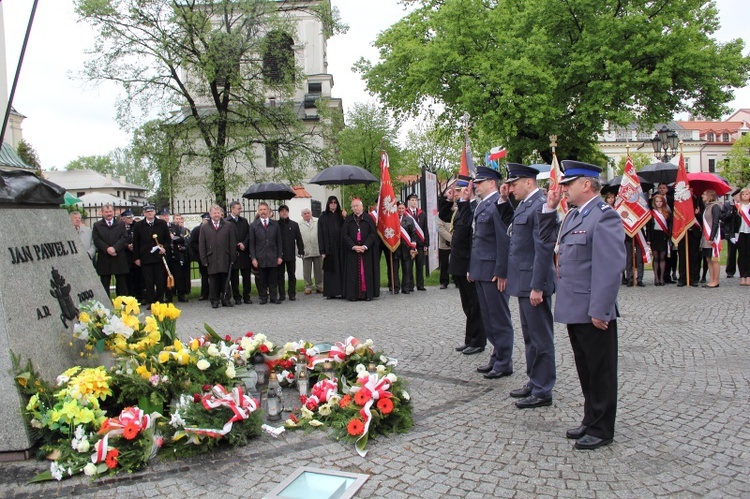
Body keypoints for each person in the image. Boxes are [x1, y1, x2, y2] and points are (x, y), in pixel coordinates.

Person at [539, 160, 625, 450]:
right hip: (575, 308)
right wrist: (550, 208)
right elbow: (549, 242)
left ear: (586, 185)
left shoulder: (604, 217)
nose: (563, 188)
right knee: (586, 369)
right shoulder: (575, 216)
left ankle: (602, 429)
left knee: (600, 371)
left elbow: (610, 267)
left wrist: (600, 309)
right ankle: (591, 418)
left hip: (593, 311)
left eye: (568, 184)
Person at [503, 164, 556, 409]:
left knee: (541, 337)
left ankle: (543, 389)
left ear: (528, 182)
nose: (511, 188)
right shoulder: (525, 204)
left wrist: (538, 286)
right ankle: (534, 381)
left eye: (514, 183)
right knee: (530, 337)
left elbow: (543, 249)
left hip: (534, 283)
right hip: (523, 281)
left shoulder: (540, 206)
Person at [468, 167, 514, 380]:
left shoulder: (499, 204)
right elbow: (477, 240)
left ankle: (504, 362)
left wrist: (502, 271)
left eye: (480, 182)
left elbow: (503, 240)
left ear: (492, 183)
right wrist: (473, 267)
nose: (475, 185)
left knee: (499, 317)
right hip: (482, 269)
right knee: (488, 317)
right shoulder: (483, 205)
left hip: (494, 271)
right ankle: (497, 356)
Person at [450, 184, 486, 356]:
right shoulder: (463, 207)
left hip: (467, 262)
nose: (457, 194)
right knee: (467, 305)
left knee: (474, 305)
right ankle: (469, 339)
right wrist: (450, 198)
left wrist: (472, 266)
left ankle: (478, 341)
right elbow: (444, 214)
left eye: (460, 190)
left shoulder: (474, 207)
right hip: (459, 263)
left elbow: (471, 236)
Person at [132, 204, 171, 307]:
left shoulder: (162, 224)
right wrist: (136, 258)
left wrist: (164, 248)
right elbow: (135, 243)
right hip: (146, 257)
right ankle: (151, 301)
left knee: (160, 280)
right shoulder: (139, 225)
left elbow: (167, 239)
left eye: (152, 211)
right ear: (144, 213)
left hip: (159, 257)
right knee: (148, 281)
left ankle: (159, 300)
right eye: (147, 211)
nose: (150, 213)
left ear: (154, 212)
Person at [199, 205, 236, 308]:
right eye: (214, 213)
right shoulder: (204, 227)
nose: (216, 214)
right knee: (213, 281)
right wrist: (204, 259)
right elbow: (202, 244)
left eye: (218, 212)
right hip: (211, 258)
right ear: (210, 214)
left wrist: (232, 257)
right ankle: (214, 300)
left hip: (225, 257)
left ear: (221, 214)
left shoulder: (228, 225)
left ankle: (226, 299)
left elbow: (232, 243)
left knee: (225, 280)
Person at [342, 198, 378, 301]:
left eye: (357, 206)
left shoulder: (368, 218)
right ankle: (353, 295)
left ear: (361, 206)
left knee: (365, 273)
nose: (355, 208)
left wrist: (365, 246)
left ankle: (367, 294)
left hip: (366, 251)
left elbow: (372, 234)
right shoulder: (348, 219)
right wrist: (353, 246)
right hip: (353, 250)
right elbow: (345, 235)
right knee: (353, 273)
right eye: (353, 206)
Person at [249, 201, 283, 304]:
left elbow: (279, 241)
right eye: (261, 210)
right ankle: (263, 297)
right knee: (262, 279)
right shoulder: (254, 225)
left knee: (273, 279)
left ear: (268, 211)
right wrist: (253, 258)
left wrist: (279, 256)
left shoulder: (275, 224)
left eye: (265, 209)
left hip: (272, 256)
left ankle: (273, 297)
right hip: (260, 256)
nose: (263, 212)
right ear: (258, 212)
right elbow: (252, 243)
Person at [91, 203, 129, 296]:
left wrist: (114, 248)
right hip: (104, 258)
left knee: (121, 283)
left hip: (118, 257)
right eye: (106, 212)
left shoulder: (120, 224)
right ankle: (106, 305)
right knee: (104, 283)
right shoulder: (97, 225)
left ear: (114, 212)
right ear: (102, 213)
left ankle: (123, 304)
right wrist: (107, 249)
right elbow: (96, 240)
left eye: (110, 211)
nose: (109, 214)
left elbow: (124, 237)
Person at [225, 201, 253, 305]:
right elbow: (226, 237)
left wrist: (244, 244)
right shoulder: (226, 222)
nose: (240, 210)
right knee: (234, 277)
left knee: (246, 276)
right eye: (238, 208)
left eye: (240, 208)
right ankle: (237, 297)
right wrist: (237, 244)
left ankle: (247, 296)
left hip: (244, 252)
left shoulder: (244, 221)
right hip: (234, 253)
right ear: (232, 209)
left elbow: (248, 235)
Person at [318, 195, 345, 299]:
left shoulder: (341, 216)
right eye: (331, 203)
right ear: (328, 204)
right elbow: (320, 235)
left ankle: (341, 290)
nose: (333, 204)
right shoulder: (323, 217)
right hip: (329, 248)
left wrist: (345, 217)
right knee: (330, 270)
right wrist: (322, 251)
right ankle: (330, 292)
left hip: (340, 248)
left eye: (335, 203)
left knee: (340, 269)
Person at [277, 205, 305, 301]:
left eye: (286, 211)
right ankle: (281, 294)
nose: (284, 213)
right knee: (280, 275)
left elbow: (299, 238)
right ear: (279, 213)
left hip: (290, 253)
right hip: (279, 254)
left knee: (291, 275)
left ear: (288, 212)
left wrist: (301, 250)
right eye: (282, 211)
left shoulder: (294, 225)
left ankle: (292, 293)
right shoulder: (276, 225)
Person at [393, 201, 418, 295]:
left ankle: (406, 287)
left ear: (405, 209)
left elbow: (413, 234)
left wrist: (413, 247)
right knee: (395, 269)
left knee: (407, 268)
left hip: (406, 248)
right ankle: (395, 287)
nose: (400, 210)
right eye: (399, 208)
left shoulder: (409, 220)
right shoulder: (392, 219)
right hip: (395, 247)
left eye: (402, 208)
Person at [165, 211, 190, 302]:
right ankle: (168, 296)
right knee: (167, 277)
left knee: (179, 276)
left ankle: (181, 295)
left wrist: (173, 238)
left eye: (167, 215)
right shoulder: (160, 226)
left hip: (175, 255)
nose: (165, 217)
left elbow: (181, 238)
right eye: (163, 216)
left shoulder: (175, 227)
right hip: (166, 255)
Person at [648, 194, 672, 286]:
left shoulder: (667, 213)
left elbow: (669, 226)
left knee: (662, 257)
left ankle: (662, 278)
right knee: (656, 257)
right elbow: (649, 227)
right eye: (657, 201)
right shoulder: (651, 213)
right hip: (655, 236)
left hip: (663, 236)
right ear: (654, 202)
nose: (658, 203)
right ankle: (656, 278)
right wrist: (648, 239)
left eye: (660, 201)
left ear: (663, 202)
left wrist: (669, 236)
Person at [406, 194, 429, 291]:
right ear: (409, 202)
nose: (414, 202)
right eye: (412, 200)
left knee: (420, 265)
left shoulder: (422, 213)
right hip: (409, 244)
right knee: (409, 266)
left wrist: (426, 244)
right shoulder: (406, 214)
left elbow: (425, 229)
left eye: (415, 200)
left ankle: (420, 285)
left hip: (420, 243)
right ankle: (410, 285)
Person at [700, 189, 722, 288]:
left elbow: (716, 222)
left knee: (714, 259)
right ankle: (711, 279)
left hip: (712, 237)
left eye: (704, 194)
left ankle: (716, 280)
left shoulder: (715, 206)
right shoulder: (707, 207)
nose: (702, 195)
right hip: (706, 237)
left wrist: (712, 237)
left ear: (710, 196)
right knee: (708, 259)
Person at [299, 208, 324, 294]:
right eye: (305, 213)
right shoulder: (299, 224)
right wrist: (299, 251)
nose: (307, 215)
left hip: (317, 249)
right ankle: (308, 286)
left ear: (311, 213)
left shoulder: (317, 221)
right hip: (306, 250)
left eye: (308, 213)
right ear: (302, 215)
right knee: (306, 271)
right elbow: (297, 239)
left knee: (319, 270)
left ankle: (319, 286)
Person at [120, 210, 142, 301]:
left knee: (137, 277)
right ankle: (127, 296)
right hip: (125, 255)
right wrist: (127, 245)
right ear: (123, 219)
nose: (131, 219)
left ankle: (139, 296)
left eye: (131, 217)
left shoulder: (135, 226)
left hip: (135, 254)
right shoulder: (120, 227)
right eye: (129, 218)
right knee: (126, 278)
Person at [189, 213, 211, 301]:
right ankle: (204, 294)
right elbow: (192, 243)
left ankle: (215, 293)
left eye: (208, 220)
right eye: (206, 220)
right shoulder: (197, 230)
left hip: (212, 255)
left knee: (214, 276)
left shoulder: (212, 229)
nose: (207, 222)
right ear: (202, 220)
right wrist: (202, 250)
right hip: (202, 256)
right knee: (205, 276)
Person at [721, 189, 741, 279]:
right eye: (738, 196)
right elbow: (722, 217)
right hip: (731, 232)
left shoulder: (744, 205)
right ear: (734, 197)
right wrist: (731, 212)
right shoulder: (727, 205)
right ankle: (730, 271)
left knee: (743, 254)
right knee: (731, 253)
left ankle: (743, 271)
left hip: (742, 232)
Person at [437, 190, 453, 289]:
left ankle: (457, 280)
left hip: (456, 242)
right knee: (444, 264)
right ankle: (444, 281)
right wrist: (452, 238)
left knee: (456, 262)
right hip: (444, 243)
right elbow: (440, 228)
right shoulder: (440, 214)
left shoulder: (456, 213)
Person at [735, 188, 750, 285]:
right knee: (742, 254)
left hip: (749, 232)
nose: (745, 196)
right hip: (740, 233)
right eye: (743, 194)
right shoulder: (737, 207)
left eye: (747, 194)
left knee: (749, 254)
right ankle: (742, 275)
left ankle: (748, 275)